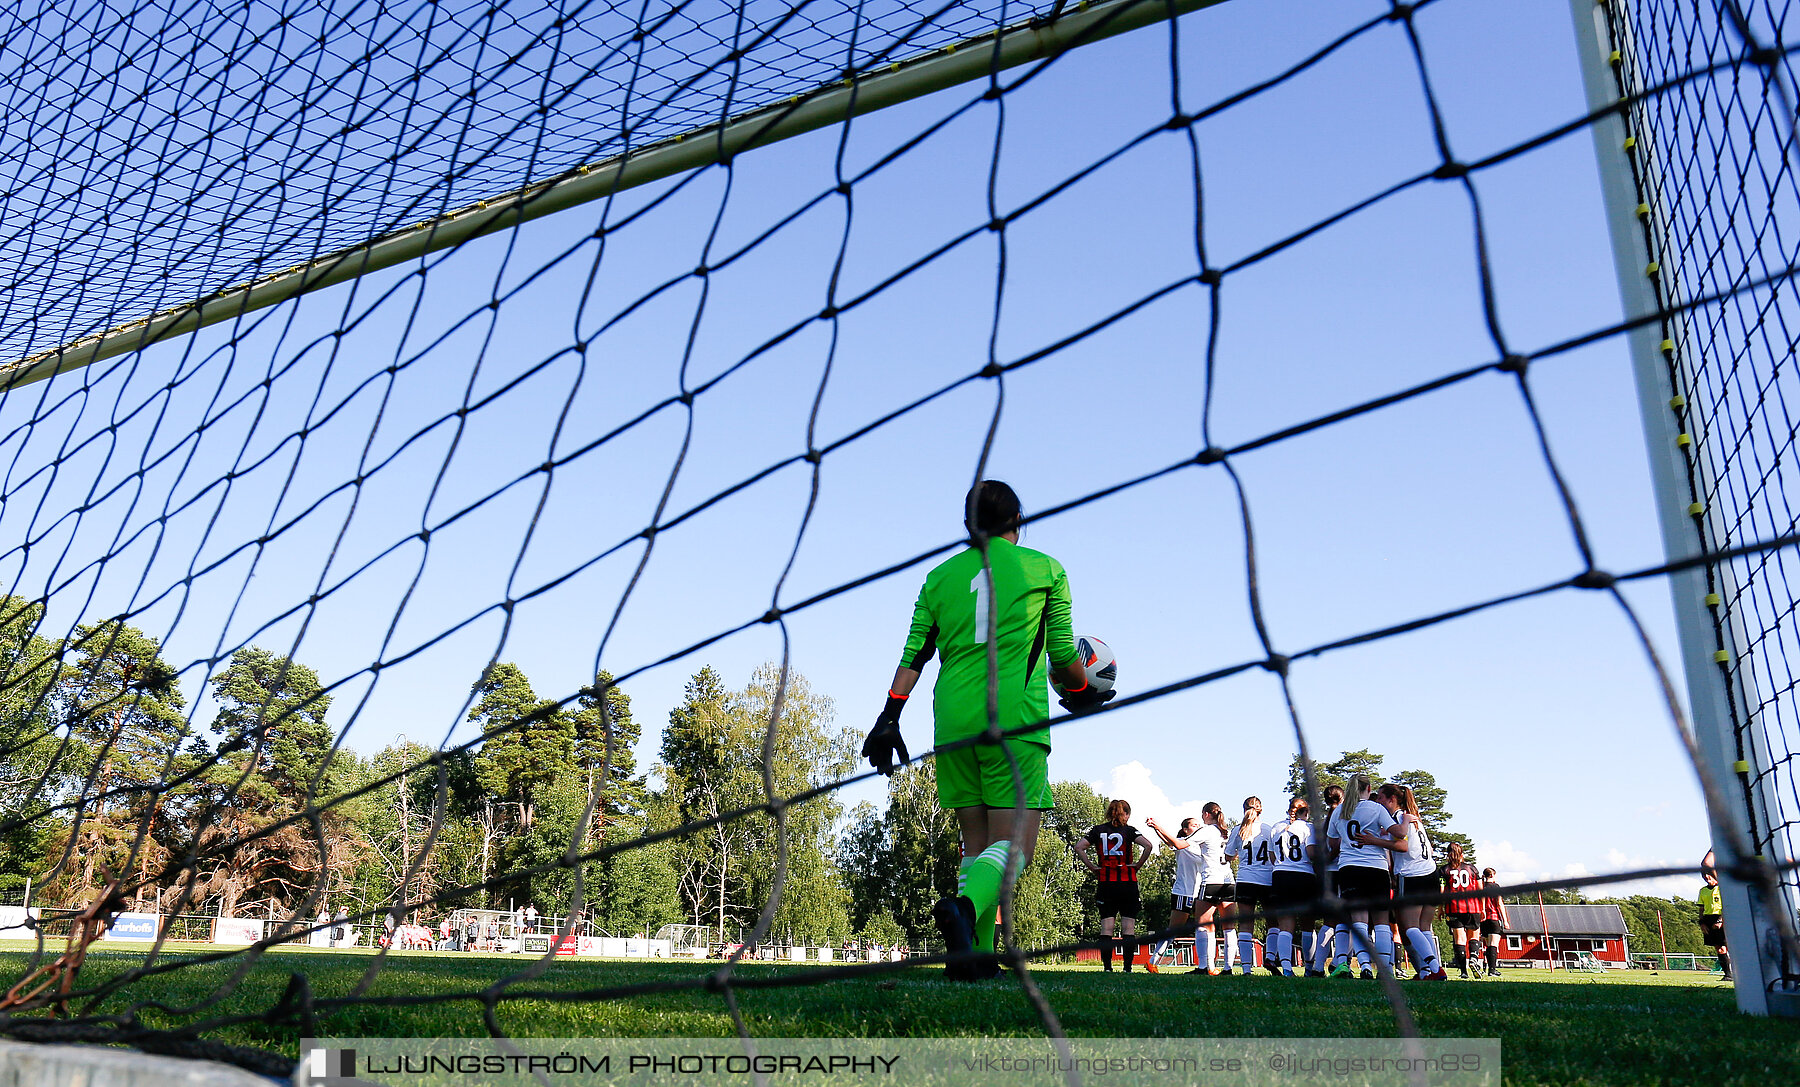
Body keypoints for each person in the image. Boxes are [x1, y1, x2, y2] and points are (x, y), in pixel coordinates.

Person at [862, 480, 1110, 980]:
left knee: (975, 845)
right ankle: (964, 910)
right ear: (1017, 521)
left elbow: (915, 653)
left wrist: (889, 716)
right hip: (1013, 718)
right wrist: (1083, 692)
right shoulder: (1046, 569)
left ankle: (971, 958)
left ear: (968, 526)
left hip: (952, 720)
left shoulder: (939, 578)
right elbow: (1063, 656)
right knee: (1015, 847)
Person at [1362, 783, 1445, 980]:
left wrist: (1375, 841)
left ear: (1392, 800)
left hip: (1413, 876)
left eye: (1381, 798)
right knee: (1424, 927)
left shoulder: (1399, 819)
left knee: (1410, 927)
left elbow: (1402, 846)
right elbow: (1429, 850)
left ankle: (1435, 969)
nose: (1378, 801)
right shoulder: (1412, 818)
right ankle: (1427, 971)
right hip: (1431, 873)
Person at [1326, 773, 1397, 979]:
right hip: (1376, 868)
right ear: (1368, 788)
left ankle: (1365, 965)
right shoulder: (1376, 808)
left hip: (1349, 869)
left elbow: (1332, 843)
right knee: (1381, 921)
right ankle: (1385, 969)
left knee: (1359, 921)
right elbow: (1395, 832)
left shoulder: (1340, 810)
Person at [1078, 800, 1154, 972]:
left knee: (1107, 927)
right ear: (1125, 814)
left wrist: (1093, 867)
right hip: (1127, 881)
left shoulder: (1098, 830)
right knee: (1128, 927)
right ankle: (1127, 968)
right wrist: (1137, 865)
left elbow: (1079, 847)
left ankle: (1107, 968)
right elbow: (1148, 845)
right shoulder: (1130, 830)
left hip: (1106, 881)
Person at [1143, 813, 1203, 971]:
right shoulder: (1183, 844)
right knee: (1174, 929)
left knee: (1204, 927)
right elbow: (1169, 841)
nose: (1198, 827)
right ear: (1185, 829)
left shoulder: (1202, 844)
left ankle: (1206, 965)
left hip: (1200, 892)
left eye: (1199, 825)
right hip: (1184, 892)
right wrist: (1156, 827)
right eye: (1194, 825)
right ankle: (1152, 961)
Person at [1267, 796, 1316, 977]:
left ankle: (1287, 968)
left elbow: (1272, 857)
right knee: (1307, 925)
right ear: (1306, 811)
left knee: (1285, 924)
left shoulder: (1276, 827)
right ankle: (1309, 968)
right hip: (1303, 876)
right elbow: (1311, 853)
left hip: (1280, 876)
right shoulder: (1308, 827)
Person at [1225, 796, 1275, 975]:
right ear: (1261, 810)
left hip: (1246, 879)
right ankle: (1270, 958)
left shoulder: (1238, 830)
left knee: (1245, 924)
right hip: (1267, 879)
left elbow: (1228, 855)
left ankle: (1246, 968)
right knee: (1273, 922)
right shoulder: (1269, 830)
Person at [1439, 841, 1482, 977]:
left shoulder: (1443, 870)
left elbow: (1441, 891)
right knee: (1474, 935)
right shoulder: (1472, 869)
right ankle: (1474, 958)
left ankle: (1463, 972)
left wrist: (1441, 908)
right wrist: (1482, 908)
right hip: (1472, 907)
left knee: (1459, 939)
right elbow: (1480, 889)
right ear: (1462, 854)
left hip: (1453, 907)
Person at [1698, 851, 1730, 978]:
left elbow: (1727, 906)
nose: (1707, 877)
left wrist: (1721, 920)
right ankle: (1728, 974)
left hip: (1722, 917)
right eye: (1704, 876)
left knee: (1728, 947)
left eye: (1709, 875)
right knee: (1719, 948)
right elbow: (1701, 908)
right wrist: (1702, 923)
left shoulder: (1722, 888)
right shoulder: (1703, 891)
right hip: (1709, 919)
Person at [1476, 868, 1508, 977]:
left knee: (1487, 945)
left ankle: (1489, 969)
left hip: (1483, 920)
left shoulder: (1481, 887)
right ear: (1493, 875)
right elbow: (1499, 903)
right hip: (1493, 917)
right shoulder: (1495, 887)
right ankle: (1492, 970)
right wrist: (1505, 920)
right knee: (1493, 944)